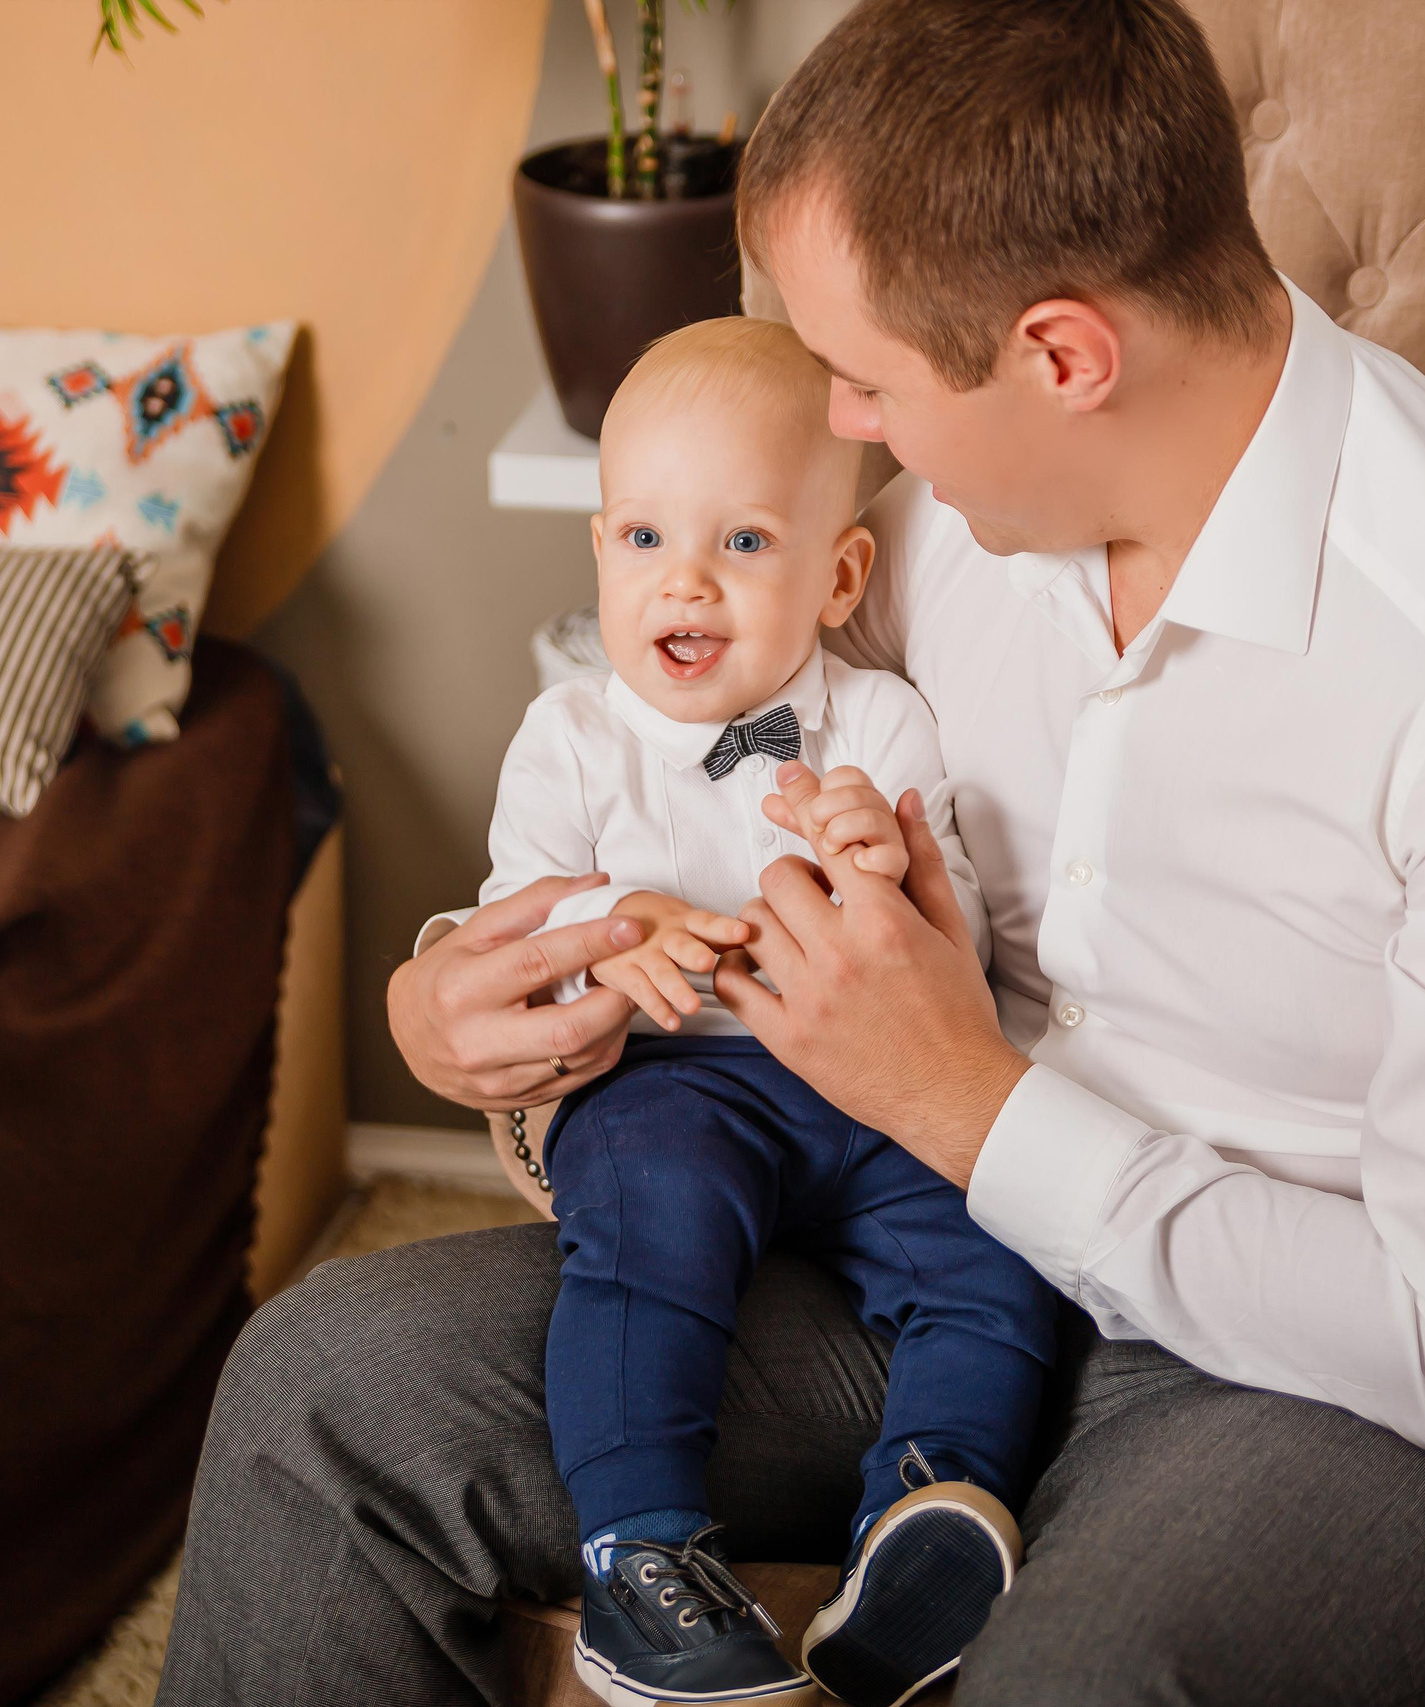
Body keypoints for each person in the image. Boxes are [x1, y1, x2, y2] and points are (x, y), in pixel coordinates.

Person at [156, 1, 1425, 1702]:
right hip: (914, 1261)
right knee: (315, 1393)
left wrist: (967, 1102)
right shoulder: (935, 531)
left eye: (868, 378)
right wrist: (455, 1004)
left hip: (1329, 1396)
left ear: (1062, 357)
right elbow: (661, 774)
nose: (842, 417)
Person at [482, 315, 1054, 1707]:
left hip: (870, 1080)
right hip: (673, 1078)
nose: (687, 583)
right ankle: (644, 1557)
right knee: (646, 1235)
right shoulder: (572, 736)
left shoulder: (881, 728)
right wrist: (616, 927)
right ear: (602, 550)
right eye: (644, 543)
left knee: (1005, 1237)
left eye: (743, 544)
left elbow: (958, 952)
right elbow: (518, 917)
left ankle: (926, 1515)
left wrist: (886, 877)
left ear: (839, 571)